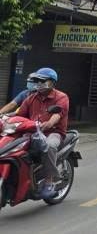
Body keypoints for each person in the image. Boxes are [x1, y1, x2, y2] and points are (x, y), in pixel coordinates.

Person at [16, 68, 69, 199]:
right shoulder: (31, 98)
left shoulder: (61, 97)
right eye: (37, 81)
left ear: (52, 82)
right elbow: (19, 115)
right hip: (33, 131)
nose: (39, 83)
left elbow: (58, 114)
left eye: (42, 81)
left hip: (53, 132)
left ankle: (49, 182)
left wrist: (49, 123)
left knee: (49, 145)